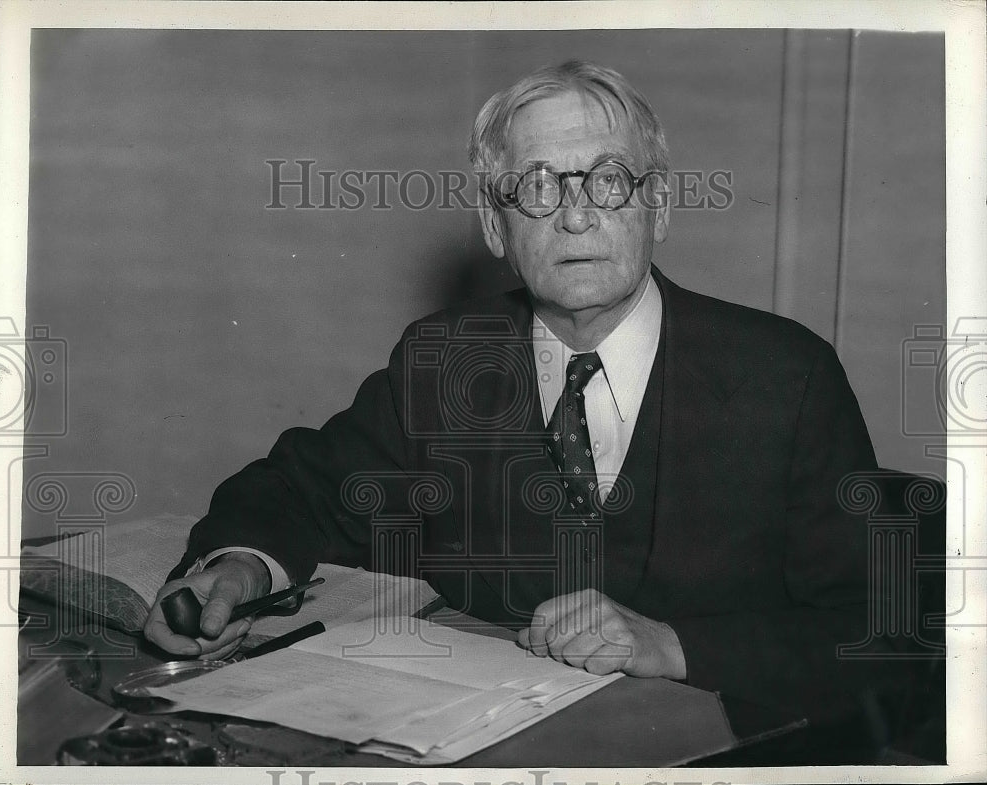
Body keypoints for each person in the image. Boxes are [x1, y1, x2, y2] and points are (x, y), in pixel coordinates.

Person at [144, 60, 883, 721]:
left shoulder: (788, 377)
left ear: (660, 207)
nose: (575, 213)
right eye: (536, 186)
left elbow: (876, 630)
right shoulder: (445, 359)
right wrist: (238, 565)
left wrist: (673, 644)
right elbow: (301, 488)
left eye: (609, 179)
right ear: (495, 227)